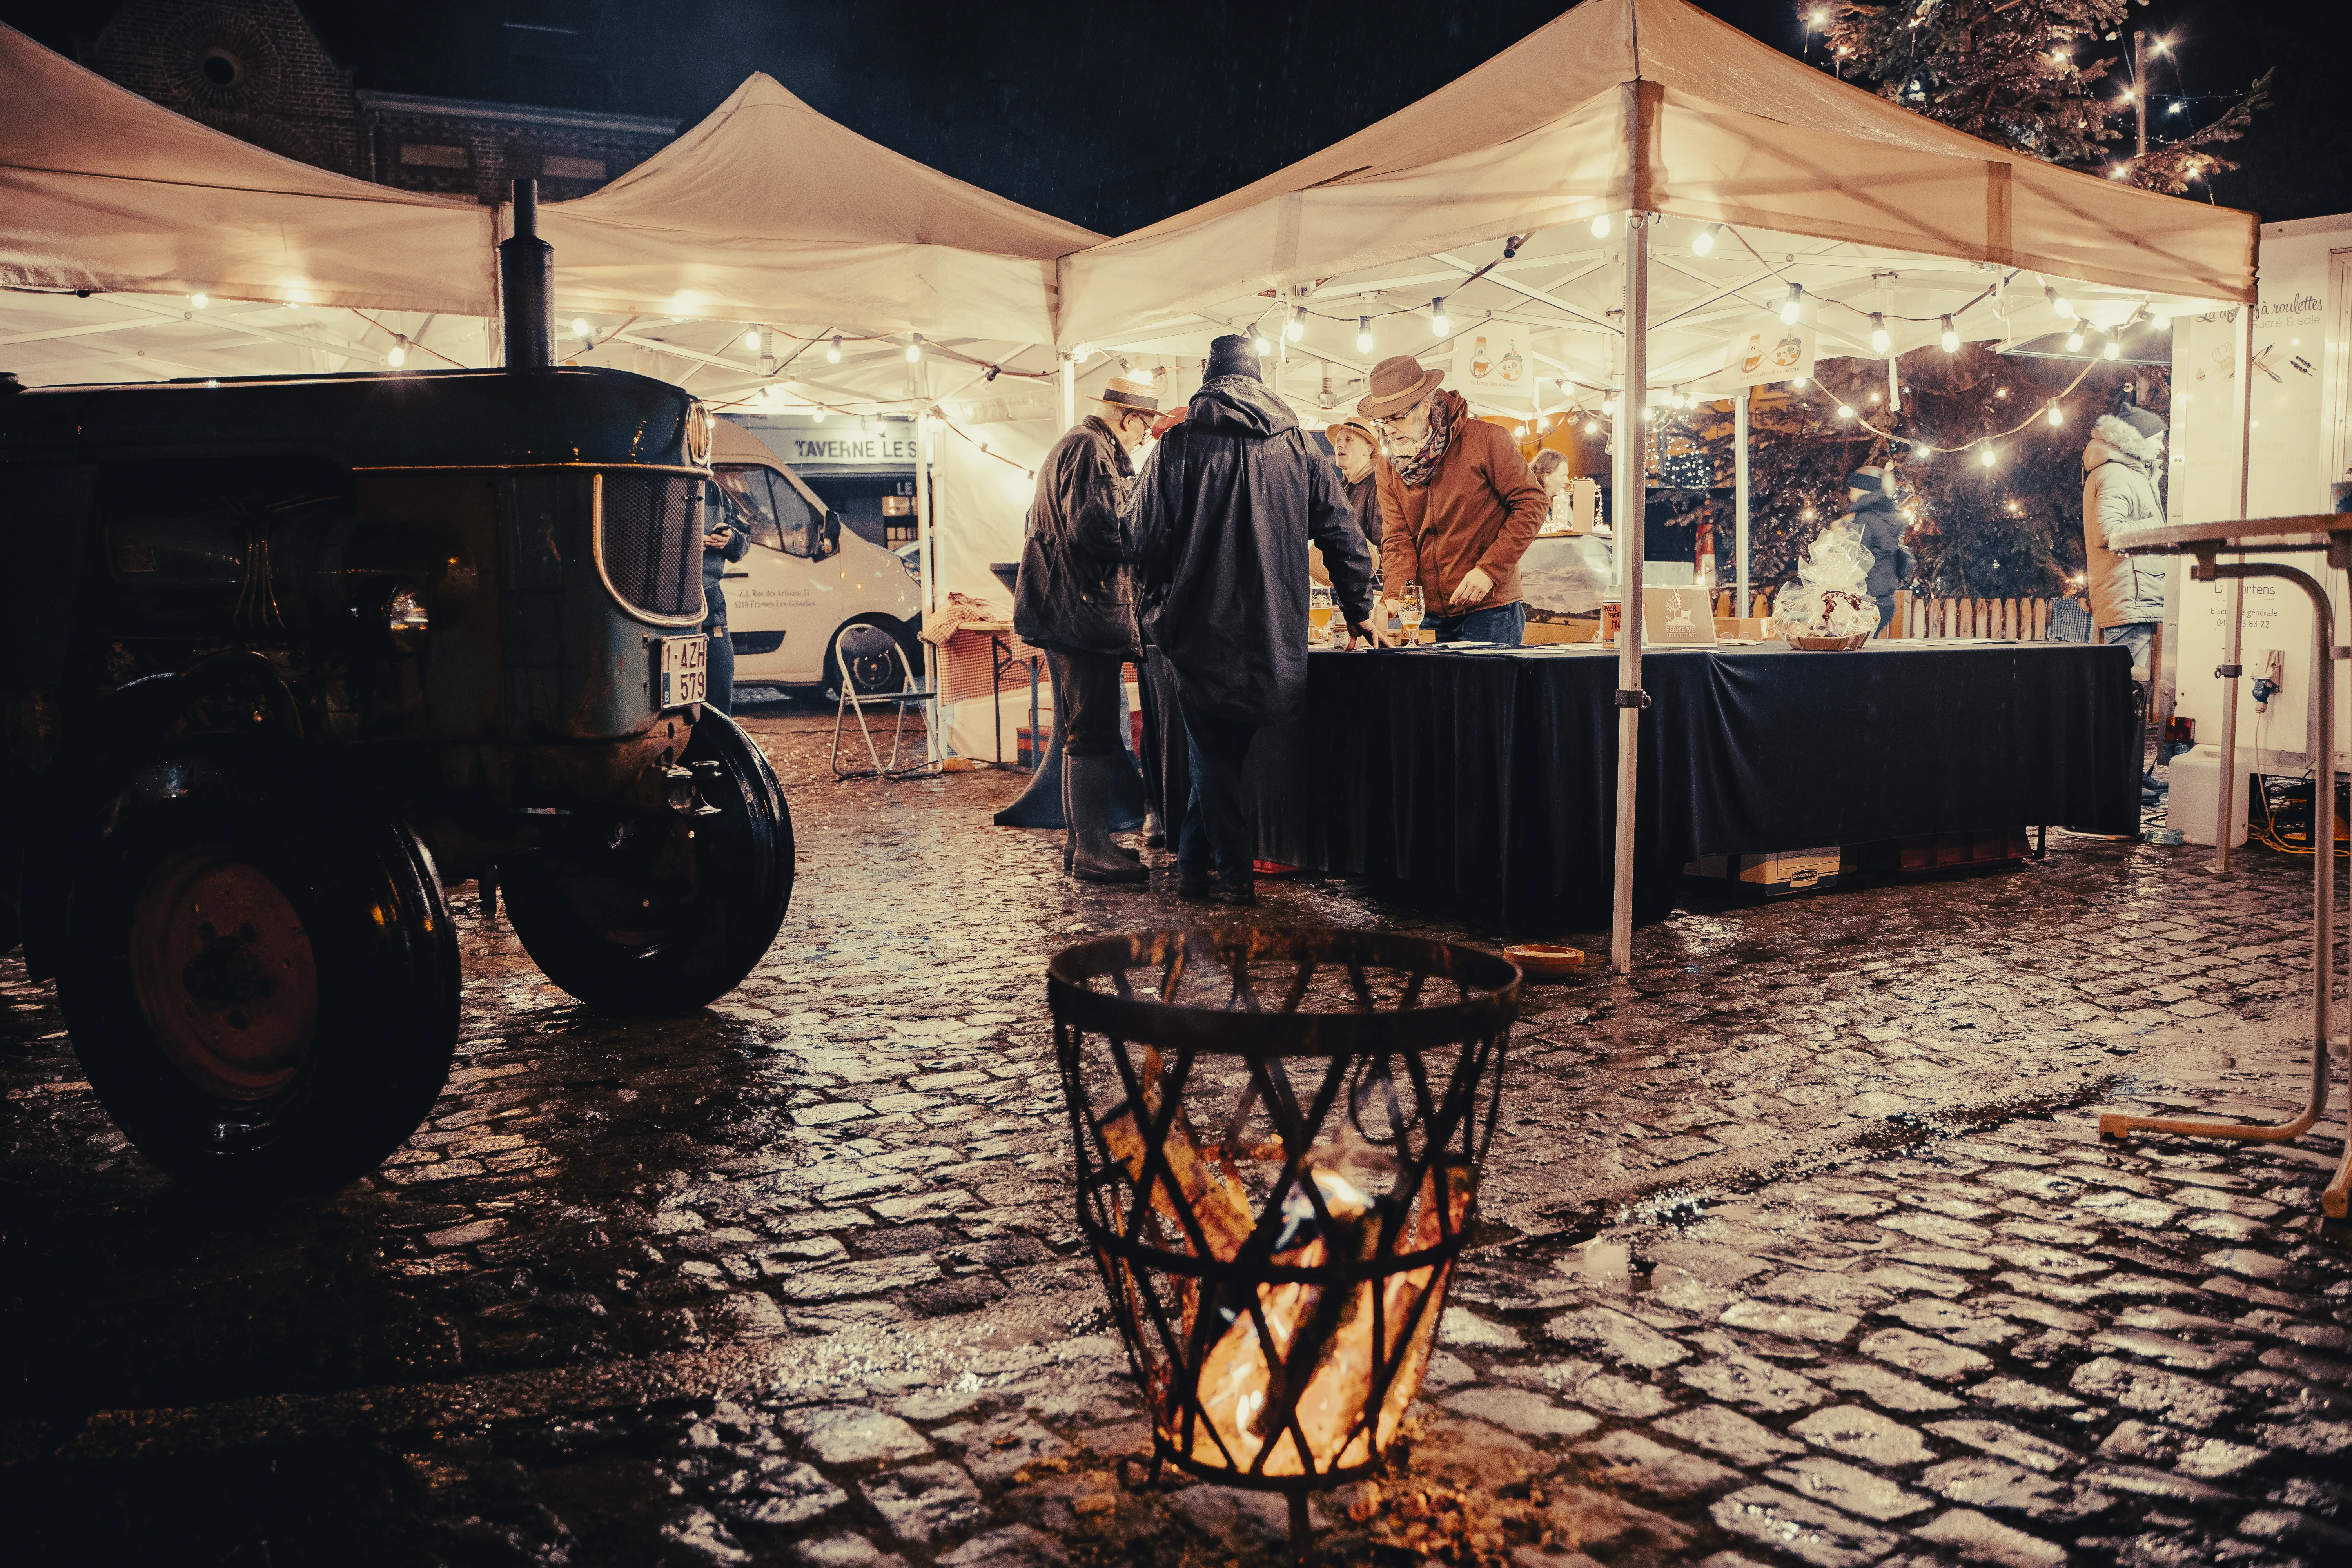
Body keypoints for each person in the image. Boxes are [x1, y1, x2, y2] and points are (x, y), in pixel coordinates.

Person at [1132, 335, 1385, 905]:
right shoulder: (1299, 447)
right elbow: (1345, 537)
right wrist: (1358, 611)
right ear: (1260, 381)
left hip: (1195, 626)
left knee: (1212, 755)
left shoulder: (1177, 445)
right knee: (1218, 754)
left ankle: (1234, 875)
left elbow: (1140, 535)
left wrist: (1157, 600)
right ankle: (1193, 869)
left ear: (1207, 378)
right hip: (1273, 631)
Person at [1013, 376, 1160, 884]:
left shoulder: (1077, 444)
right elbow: (1096, 531)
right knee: (1092, 732)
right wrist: (1148, 538)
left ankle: (1082, 844)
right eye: (1144, 428)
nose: (1143, 440)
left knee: (1079, 732)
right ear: (1129, 418)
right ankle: (1094, 850)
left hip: (1067, 612)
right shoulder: (1092, 450)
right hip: (1083, 613)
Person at [1361, 356, 1546, 644]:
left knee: (1489, 678)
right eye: (1382, 421)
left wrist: (1489, 571)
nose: (1389, 429)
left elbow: (1532, 503)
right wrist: (1395, 594)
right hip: (1425, 613)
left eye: (1396, 417)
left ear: (1424, 408)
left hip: (1489, 608)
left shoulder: (1487, 440)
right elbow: (1397, 536)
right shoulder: (1388, 466)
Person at [2082, 403, 2167, 673]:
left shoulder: (2129, 474)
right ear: (2139, 439)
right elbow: (2108, 532)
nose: (2162, 447)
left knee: (2126, 683)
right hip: (2128, 596)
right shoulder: (2117, 474)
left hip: (2134, 594)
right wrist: (2161, 526)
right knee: (2123, 683)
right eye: (2158, 439)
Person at [1844, 465, 1914, 633]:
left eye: (1852, 488)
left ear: (1863, 489)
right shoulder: (1886, 516)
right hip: (1884, 599)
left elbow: (1857, 559)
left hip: (1865, 601)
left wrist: (1841, 531)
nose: (1849, 493)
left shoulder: (1865, 518)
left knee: (1851, 647)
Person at [700, 480, 750, 715]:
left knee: (719, 690)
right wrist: (682, 543)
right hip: (659, 604)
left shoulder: (714, 490)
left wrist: (731, 540)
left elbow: (744, 536)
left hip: (711, 604)